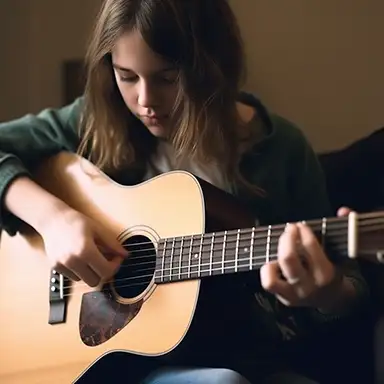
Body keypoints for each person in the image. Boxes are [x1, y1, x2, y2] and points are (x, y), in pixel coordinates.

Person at [0, 0, 369, 383]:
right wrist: (53, 219)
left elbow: (351, 292)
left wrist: (326, 294)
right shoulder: (96, 123)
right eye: (127, 76)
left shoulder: (281, 151)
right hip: (105, 363)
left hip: (228, 354)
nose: (145, 101)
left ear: (212, 66)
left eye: (167, 78)